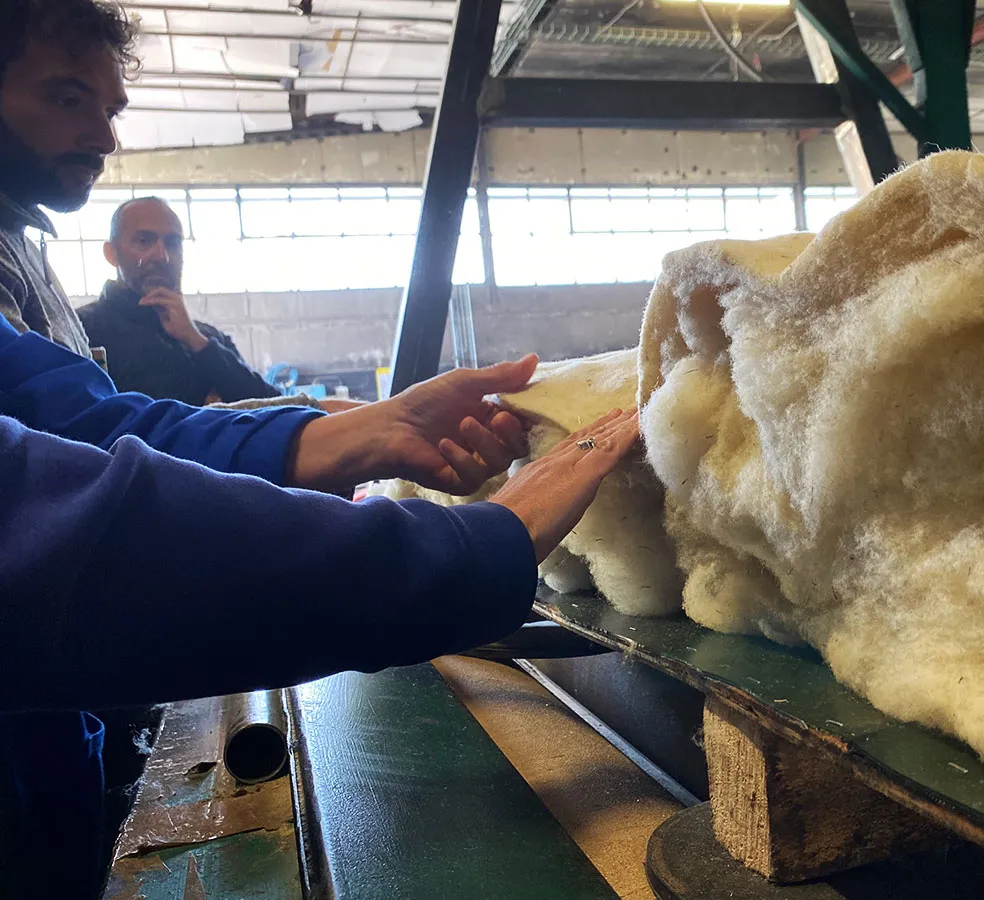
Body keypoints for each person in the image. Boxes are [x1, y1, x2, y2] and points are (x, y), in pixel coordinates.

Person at [0, 1, 631, 896]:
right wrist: (468, 549)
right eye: (68, 98)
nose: (102, 134)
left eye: (110, 109)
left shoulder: (24, 257)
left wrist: (357, 432)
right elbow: (56, 521)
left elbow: (93, 430)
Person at [76, 196, 283, 404]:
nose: (161, 256)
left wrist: (197, 342)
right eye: (143, 241)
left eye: (172, 243)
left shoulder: (206, 339)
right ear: (112, 253)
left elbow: (275, 409)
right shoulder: (81, 331)